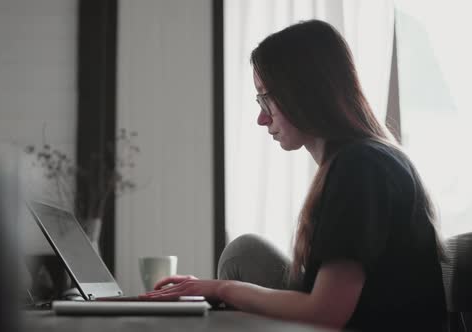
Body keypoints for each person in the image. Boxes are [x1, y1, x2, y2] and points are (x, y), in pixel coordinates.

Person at [138, 20, 447, 331]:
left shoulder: (361, 166)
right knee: (244, 253)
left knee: (235, 268)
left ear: (301, 92)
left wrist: (220, 288)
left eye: (266, 99)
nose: (261, 118)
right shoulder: (361, 160)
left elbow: (326, 311)